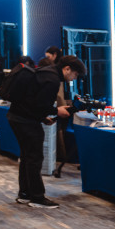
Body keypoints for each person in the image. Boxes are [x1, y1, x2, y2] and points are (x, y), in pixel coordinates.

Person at [7, 55, 86, 209]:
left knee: (27, 156)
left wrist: (43, 118)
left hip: (18, 117)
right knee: (34, 158)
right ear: (67, 69)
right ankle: (37, 197)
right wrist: (57, 111)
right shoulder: (53, 79)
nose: (74, 78)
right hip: (25, 120)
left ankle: (25, 194)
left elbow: (32, 102)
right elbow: (40, 105)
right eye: (75, 74)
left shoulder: (46, 72)